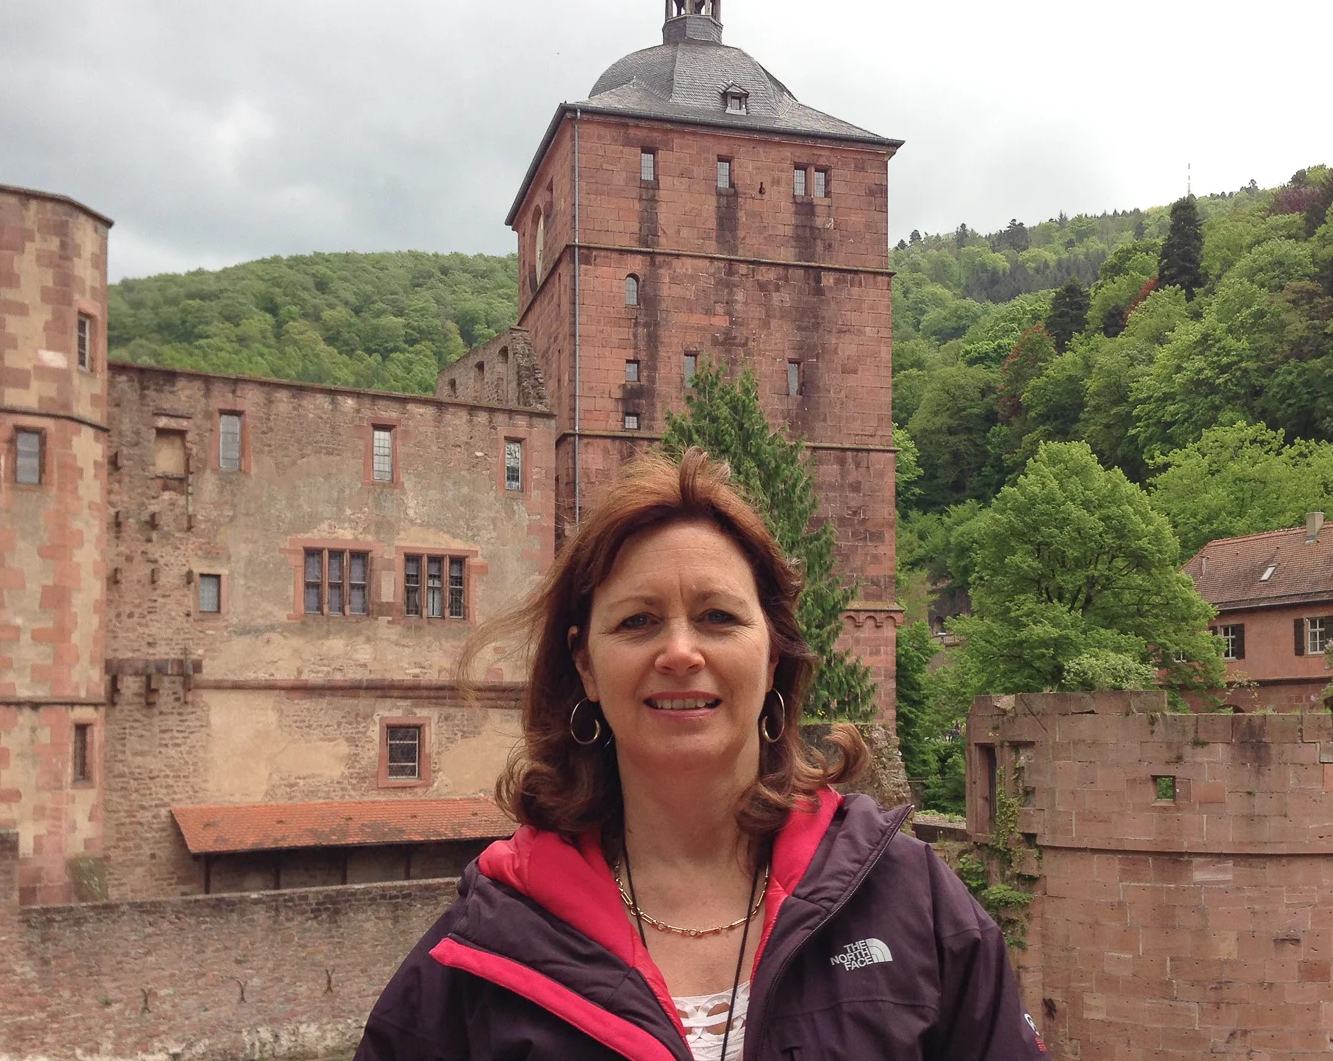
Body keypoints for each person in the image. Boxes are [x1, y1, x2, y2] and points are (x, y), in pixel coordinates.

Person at [355, 447, 1045, 1060]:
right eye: (638, 621)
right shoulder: (490, 944)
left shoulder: (911, 899)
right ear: (586, 665)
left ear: (772, 654)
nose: (681, 652)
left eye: (718, 617)